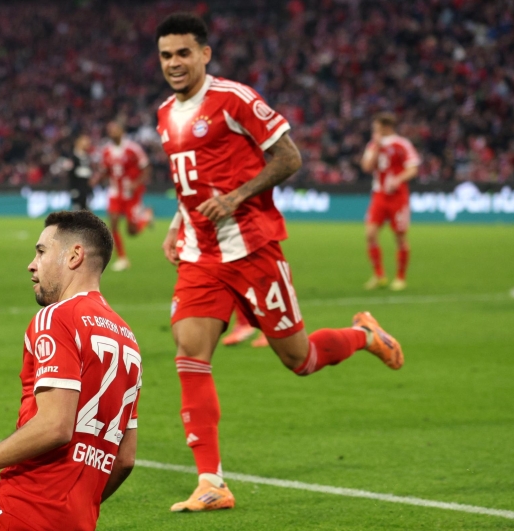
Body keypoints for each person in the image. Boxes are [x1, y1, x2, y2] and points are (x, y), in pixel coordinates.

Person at [153, 13, 405, 513]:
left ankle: (364, 336)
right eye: (166, 55)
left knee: (300, 359)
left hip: (253, 247)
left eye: (183, 53)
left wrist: (237, 196)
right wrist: (176, 224)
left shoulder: (235, 99)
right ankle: (211, 482)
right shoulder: (164, 114)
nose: (174, 63)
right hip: (201, 255)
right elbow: (189, 182)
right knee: (189, 352)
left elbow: (289, 157)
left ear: (204, 54)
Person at [0, 210, 142, 531]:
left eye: (41, 251)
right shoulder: (127, 338)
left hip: (23, 504)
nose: (32, 264)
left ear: (74, 256)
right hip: (79, 519)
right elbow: (125, 459)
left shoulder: (57, 317)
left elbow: (55, 425)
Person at [360, 112, 421, 291]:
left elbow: (413, 168)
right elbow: (366, 167)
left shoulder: (402, 144)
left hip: (398, 196)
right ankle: (379, 275)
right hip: (379, 195)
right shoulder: (373, 145)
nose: (374, 131)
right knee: (370, 234)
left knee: (400, 236)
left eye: (377, 128)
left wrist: (398, 179)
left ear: (386, 127)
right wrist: (377, 147)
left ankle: (400, 277)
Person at [95, 121, 154, 271]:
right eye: (109, 130)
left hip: (131, 193)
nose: (112, 132)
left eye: (114, 130)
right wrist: (97, 178)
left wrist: (137, 183)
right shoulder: (106, 151)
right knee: (113, 224)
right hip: (115, 192)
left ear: (122, 131)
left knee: (132, 231)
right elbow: (105, 170)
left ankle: (145, 217)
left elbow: (146, 168)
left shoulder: (133, 149)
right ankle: (122, 258)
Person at [66, 134, 95, 211]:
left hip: (86, 188)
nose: (88, 144)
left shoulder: (87, 157)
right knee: (78, 209)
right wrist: (73, 188)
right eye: (85, 141)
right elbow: (70, 173)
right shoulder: (73, 156)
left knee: (86, 210)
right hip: (77, 187)